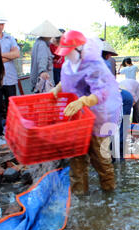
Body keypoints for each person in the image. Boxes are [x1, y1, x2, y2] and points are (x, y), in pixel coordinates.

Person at [50, 30, 123, 196]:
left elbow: (103, 92)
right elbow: (70, 80)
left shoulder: (95, 65)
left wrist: (83, 101)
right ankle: (80, 196)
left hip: (99, 117)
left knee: (101, 159)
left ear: (79, 49)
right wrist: (58, 88)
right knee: (77, 158)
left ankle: (109, 196)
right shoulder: (69, 63)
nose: (66, 56)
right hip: (78, 118)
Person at [0, 10, 20, 137]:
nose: (0, 26)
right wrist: (9, 57)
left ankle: (12, 130)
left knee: (11, 106)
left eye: (2, 24)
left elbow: (16, 54)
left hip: (10, 77)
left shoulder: (10, 38)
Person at [29, 20, 61, 92]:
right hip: (43, 81)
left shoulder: (38, 42)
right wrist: (43, 71)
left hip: (39, 79)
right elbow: (42, 59)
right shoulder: (42, 45)